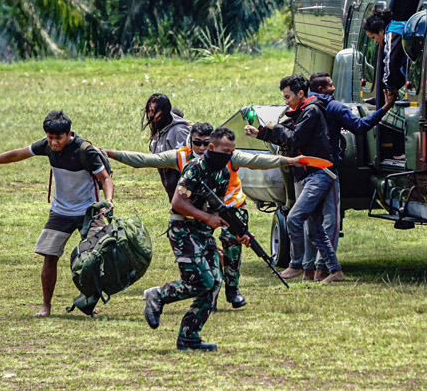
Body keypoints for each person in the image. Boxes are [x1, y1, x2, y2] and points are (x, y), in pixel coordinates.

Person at [107, 121, 302, 307]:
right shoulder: (183, 157)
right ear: (190, 142)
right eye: (197, 143)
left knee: (232, 242)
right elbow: (145, 160)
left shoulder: (227, 155)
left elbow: (257, 161)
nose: (201, 147)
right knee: (203, 260)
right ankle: (203, 295)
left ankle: (232, 289)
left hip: (231, 207)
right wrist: (108, 153)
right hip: (198, 213)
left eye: (205, 143)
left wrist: (290, 161)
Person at [0, 110, 113, 317]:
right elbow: (17, 154)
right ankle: (46, 306)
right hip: (60, 211)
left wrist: (108, 201)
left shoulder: (85, 151)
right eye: (50, 137)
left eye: (58, 138)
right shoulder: (46, 146)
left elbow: (105, 178)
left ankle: (89, 301)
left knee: (94, 257)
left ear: (69, 133)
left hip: (89, 211)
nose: (53, 142)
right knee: (49, 256)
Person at [142, 127, 251, 351]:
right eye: (225, 151)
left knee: (214, 283)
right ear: (211, 147)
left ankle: (189, 336)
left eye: (231, 151)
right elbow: (178, 203)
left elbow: (217, 208)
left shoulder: (224, 173)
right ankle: (158, 295)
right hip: (183, 229)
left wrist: (240, 232)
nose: (228, 155)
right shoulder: (194, 168)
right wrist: (207, 217)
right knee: (199, 281)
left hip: (202, 231)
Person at [245, 74, 344, 283]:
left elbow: (294, 138)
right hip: (308, 175)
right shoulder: (302, 111)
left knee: (294, 218)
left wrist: (274, 127)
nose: (286, 101)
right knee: (315, 229)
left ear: (301, 93)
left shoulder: (311, 111)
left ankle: (296, 264)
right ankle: (335, 271)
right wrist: (260, 133)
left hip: (318, 174)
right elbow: (288, 137)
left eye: (288, 97)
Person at [302, 72, 395, 280]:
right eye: (330, 85)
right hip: (327, 170)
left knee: (310, 219)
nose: (333, 88)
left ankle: (307, 269)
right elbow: (360, 127)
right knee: (331, 220)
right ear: (321, 89)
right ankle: (323, 268)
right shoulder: (334, 107)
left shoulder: (303, 106)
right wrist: (386, 107)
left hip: (305, 169)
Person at [143, 93, 190, 200]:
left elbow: (189, 165)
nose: (150, 115)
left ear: (163, 111)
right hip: (172, 191)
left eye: (154, 111)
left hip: (185, 193)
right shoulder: (159, 129)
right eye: (149, 111)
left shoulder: (179, 132)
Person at [363, 7, 407, 96]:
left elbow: (391, 62)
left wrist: (389, 87)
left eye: (373, 37)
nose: (375, 41)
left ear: (381, 31)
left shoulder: (392, 33)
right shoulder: (397, 26)